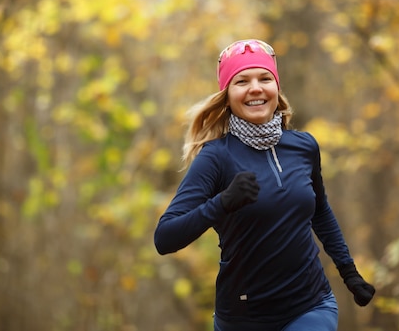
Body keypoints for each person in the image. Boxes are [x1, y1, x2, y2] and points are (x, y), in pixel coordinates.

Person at [154, 39, 375, 331]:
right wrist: (221, 203)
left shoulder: (304, 146)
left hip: (310, 305)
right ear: (228, 95)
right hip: (244, 318)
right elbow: (165, 237)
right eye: (242, 81)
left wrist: (349, 272)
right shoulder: (216, 158)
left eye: (265, 78)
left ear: (276, 88)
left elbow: (320, 212)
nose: (255, 88)